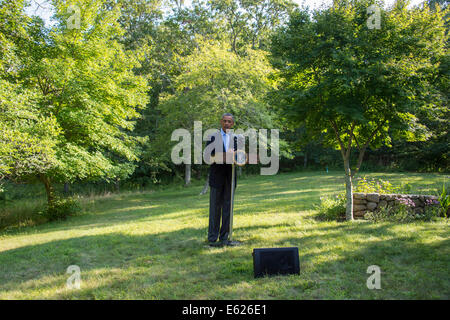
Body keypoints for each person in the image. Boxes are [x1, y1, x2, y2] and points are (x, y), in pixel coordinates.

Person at [204, 113, 238, 247]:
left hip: (230, 177)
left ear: (233, 124)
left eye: (229, 121)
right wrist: (224, 155)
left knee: (228, 207)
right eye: (224, 121)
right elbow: (208, 156)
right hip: (216, 177)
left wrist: (236, 156)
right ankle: (212, 239)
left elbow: (241, 156)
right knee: (215, 208)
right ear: (221, 122)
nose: (227, 124)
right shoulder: (212, 137)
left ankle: (225, 237)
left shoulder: (236, 139)